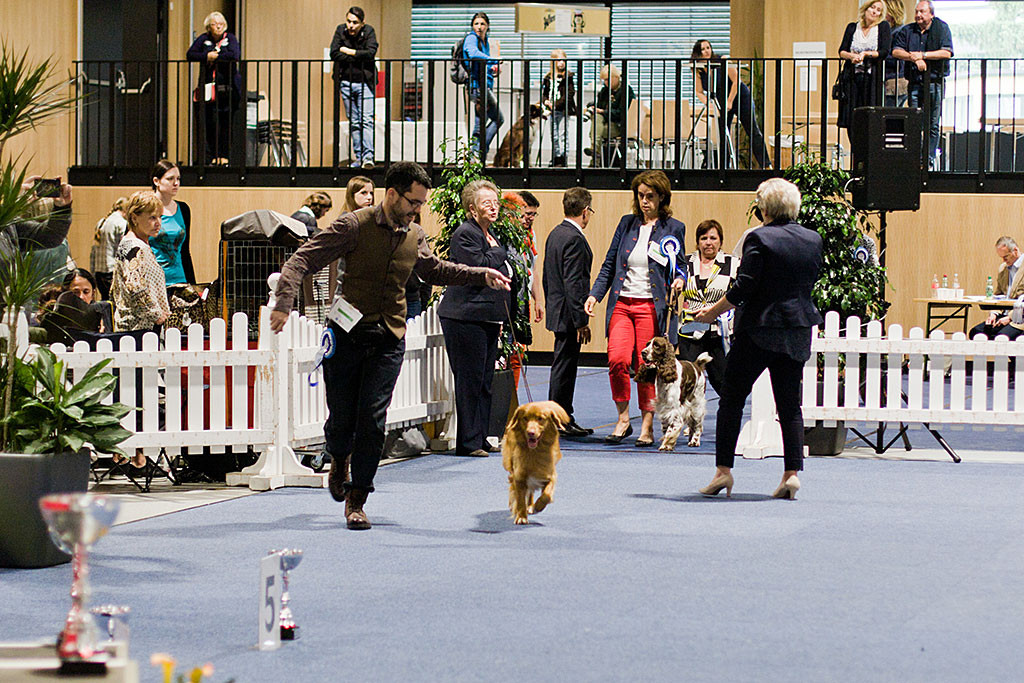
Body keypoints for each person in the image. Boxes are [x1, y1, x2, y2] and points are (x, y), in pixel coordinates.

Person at [270, 162, 510, 529]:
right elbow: (302, 259)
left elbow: (435, 270)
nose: (418, 209)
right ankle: (339, 458)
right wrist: (284, 303)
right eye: (413, 201)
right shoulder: (354, 225)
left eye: (421, 203)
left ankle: (357, 499)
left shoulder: (415, 234)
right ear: (393, 194)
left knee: (373, 420)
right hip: (346, 334)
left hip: (389, 338)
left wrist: (482, 274)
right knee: (341, 419)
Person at [693, 178, 823, 500]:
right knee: (790, 406)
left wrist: (712, 312)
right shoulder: (813, 239)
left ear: (764, 208)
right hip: (797, 331)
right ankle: (791, 473)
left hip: (759, 331)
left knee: (733, 399)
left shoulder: (758, 238)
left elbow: (743, 287)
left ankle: (723, 471)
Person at [585, 170, 686, 446]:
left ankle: (647, 425)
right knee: (617, 359)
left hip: (649, 306)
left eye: (649, 196)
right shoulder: (626, 224)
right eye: (640, 196)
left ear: (662, 197)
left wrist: (679, 278)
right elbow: (609, 264)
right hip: (622, 303)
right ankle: (623, 419)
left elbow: (682, 265)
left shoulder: (673, 228)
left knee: (646, 365)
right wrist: (595, 295)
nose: (644, 201)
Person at [437, 179, 512, 458]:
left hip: (488, 316)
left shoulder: (489, 234)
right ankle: (468, 442)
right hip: (464, 316)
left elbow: (492, 261)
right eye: (486, 203)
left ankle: (481, 436)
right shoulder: (465, 233)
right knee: (469, 380)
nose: (493, 207)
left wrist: (494, 253)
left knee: (484, 380)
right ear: (472, 208)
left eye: (495, 202)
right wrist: (498, 253)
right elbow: (480, 266)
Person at [543, 187, 594, 437]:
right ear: (585, 211)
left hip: (558, 309)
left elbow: (547, 276)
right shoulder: (574, 238)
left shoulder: (555, 234)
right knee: (565, 367)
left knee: (562, 365)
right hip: (569, 314)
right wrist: (581, 320)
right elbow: (574, 283)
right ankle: (559, 417)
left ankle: (560, 415)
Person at [678, 219, 740, 397]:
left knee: (723, 382)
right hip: (691, 328)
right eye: (704, 238)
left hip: (719, 331)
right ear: (697, 241)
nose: (708, 242)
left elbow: (739, 295)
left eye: (713, 238)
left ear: (720, 241)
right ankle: (690, 421)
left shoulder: (733, 263)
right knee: (689, 382)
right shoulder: (685, 263)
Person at [892, 0, 953, 168]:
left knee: (933, 123)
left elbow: (946, 52)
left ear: (931, 14)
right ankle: (916, 157)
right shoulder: (908, 30)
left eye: (922, 12)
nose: (918, 15)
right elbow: (896, 51)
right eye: (917, 11)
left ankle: (929, 158)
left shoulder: (941, 28)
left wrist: (923, 55)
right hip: (915, 82)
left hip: (935, 82)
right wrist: (913, 57)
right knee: (914, 121)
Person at [691, 40, 770, 169]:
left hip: (739, 96)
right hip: (721, 100)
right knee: (723, 133)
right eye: (702, 49)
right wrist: (710, 104)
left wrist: (730, 101)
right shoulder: (698, 69)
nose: (706, 51)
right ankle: (724, 167)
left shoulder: (723, 60)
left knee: (752, 129)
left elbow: (736, 81)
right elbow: (699, 91)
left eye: (708, 48)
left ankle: (766, 165)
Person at [111, 191, 170, 334]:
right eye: (152, 217)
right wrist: (156, 315)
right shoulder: (135, 247)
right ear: (134, 218)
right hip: (140, 330)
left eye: (160, 217)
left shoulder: (129, 243)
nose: (158, 223)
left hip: (134, 328)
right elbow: (135, 286)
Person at [186, 11, 241, 165]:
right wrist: (205, 56)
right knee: (209, 123)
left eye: (221, 24)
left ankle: (224, 157)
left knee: (226, 123)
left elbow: (234, 55)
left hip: (228, 88)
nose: (218, 26)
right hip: (208, 88)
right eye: (214, 24)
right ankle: (212, 157)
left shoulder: (230, 38)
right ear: (208, 27)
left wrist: (214, 56)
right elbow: (190, 54)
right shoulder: (203, 39)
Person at [330, 6, 378, 169]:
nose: (350, 25)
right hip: (345, 81)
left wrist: (349, 52)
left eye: (355, 23)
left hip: (365, 82)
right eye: (348, 21)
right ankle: (359, 158)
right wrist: (358, 55)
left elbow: (370, 53)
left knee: (366, 120)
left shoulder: (369, 32)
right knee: (355, 122)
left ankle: (368, 157)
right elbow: (334, 53)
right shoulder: (340, 30)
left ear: (362, 24)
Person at [837, 1, 892, 130]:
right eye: (872, 8)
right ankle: (854, 148)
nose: (874, 12)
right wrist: (852, 57)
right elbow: (842, 51)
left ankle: (868, 147)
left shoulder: (883, 27)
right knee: (851, 114)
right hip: (852, 76)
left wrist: (866, 54)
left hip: (872, 77)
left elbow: (884, 51)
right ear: (865, 9)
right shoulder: (852, 27)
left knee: (870, 113)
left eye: (878, 10)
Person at [463, 12, 503, 162]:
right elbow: (472, 53)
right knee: (496, 119)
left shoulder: (484, 41)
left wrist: (493, 66)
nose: (479, 27)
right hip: (478, 86)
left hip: (485, 84)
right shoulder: (472, 38)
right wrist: (493, 60)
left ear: (487, 26)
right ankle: (478, 152)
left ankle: (477, 153)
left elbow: (484, 60)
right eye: (476, 24)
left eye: (482, 24)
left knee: (481, 122)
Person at [970, 236, 1024, 340]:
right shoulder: (1003, 268)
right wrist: (993, 314)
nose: (1003, 260)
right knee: (976, 333)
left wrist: (1009, 317)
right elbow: (998, 295)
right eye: (1001, 257)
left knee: (1002, 337)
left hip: (1019, 318)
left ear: (1015, 251)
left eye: (1006, 256)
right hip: (1003, 314)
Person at [585, 64, 634, 166]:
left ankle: (595, 156)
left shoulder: (626, 90)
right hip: (604, 125)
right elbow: (600, 106)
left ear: (616, 77)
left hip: (619, 126)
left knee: (597, 124)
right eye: (604, 80)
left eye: (608, 79)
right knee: (596, 117)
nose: (606, 83)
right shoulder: (604, 91)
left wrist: (603, 112)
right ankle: (596, 153)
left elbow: (622, 114)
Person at [541, 49, 576, 167]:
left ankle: (563, 157)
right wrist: (546, 101)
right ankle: (556, 156)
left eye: (563, 60)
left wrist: (556, 104)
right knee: (554, 134)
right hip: (551, 110)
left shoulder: (568, 77)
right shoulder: (548, 77)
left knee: (563, 133)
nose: (561, 63)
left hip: (562, 109)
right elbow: (545, 92)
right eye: (558, 60)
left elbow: (570, 94)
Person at [89, 197, 127, 299]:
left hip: (99, 272)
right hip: (112, 271)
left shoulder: (101, 222)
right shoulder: (121, 223)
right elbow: (124, 249)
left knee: (105, 303)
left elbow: (94, 249)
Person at [882, 0, 908, 107]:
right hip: (893, 80)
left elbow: (895, 56)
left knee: (890, 115)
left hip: (894, 80)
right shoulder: (892, 30)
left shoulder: (898, 31)